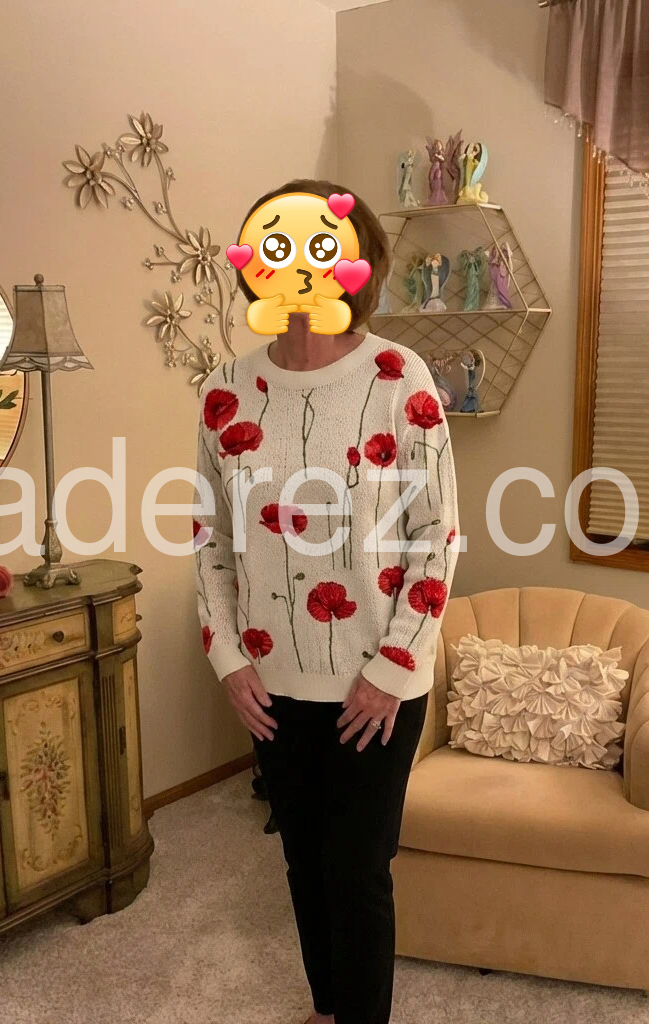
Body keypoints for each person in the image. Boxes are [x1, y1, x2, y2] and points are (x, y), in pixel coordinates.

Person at [194, 178, 458, 1024]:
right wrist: (227, 658)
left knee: (357, 870)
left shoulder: (398, 376)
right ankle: (325, 1010)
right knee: (302, 862)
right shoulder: (223, 390)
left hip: (375, 686)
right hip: (270, 685)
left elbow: (437, 535)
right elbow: (211, 539)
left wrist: (392, 668)